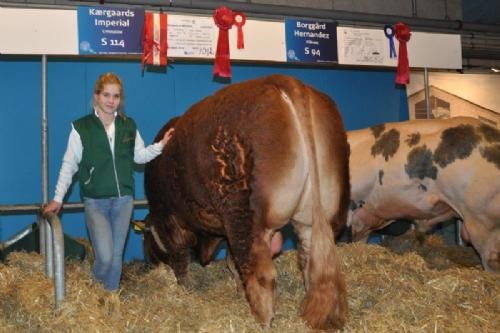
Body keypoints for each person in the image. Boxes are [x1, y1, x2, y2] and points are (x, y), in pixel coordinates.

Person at [44, 72, 174, 291]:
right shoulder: (81, 128)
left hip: (123, 201)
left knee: (115, 258)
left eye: (115, 96)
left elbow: (139, 156)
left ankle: (110, 299)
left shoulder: (128, 125)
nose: (111, 101)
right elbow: (69, 165)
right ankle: (94, 290)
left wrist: (161, 145)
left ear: (120, 99)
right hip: (96, 202)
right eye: (106, 95)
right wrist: (58, 198)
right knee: (104, 257)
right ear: (96, 96)